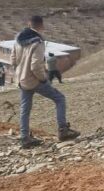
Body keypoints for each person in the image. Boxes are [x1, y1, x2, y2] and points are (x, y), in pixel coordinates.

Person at [10, 16, 79, 148]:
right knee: (59, 98)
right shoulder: (38, 42)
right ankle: (63, 130)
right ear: (41, 26)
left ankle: (25, 138)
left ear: (29, 24)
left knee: (25, 108)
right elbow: (35, 66)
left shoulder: (18, 40)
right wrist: (43, 79)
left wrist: (20, 70)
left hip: (21, 79)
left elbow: (13, 61)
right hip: (34, 79)